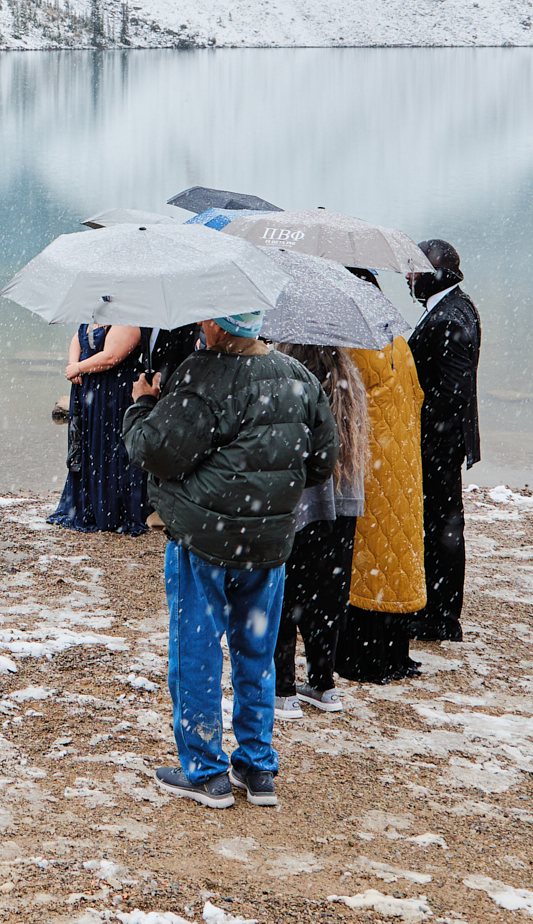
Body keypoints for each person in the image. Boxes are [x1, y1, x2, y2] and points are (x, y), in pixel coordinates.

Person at [123, 310, 335, 811]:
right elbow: (323, 461)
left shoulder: (204, 374)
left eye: (206, 319)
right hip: (270, 543)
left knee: (196, 649)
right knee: (256, 652)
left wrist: (142, 404)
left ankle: (204, 770)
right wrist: (264, 492)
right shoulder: (298, 376)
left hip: (207, 542)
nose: (201, 327)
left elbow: (154, 450)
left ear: (218, 324)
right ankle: (257, 766)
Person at [336, 272, 426, 683]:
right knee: (397, 557)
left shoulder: (351, 345)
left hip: (369, 463)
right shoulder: (398, 341)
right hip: (405, 465)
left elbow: (340, 402)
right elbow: (417, 397)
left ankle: (362, 656)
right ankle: (395, 652)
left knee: (366, 558)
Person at [272, 343, 370, 717]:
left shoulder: (293, 376)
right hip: (344, 502)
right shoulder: (349, 377)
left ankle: (283, 689)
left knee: (285, 595)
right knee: (328, 595)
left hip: (303, 505)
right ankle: (322, 683)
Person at [408, 240, 479, 642]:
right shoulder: (459, 306)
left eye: (415, 272)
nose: (409, 278)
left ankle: (441, 615)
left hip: (440, 445)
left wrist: (415, 423)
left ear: (435, 273)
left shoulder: (448, 318)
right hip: (447, 442)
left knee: (441, 527)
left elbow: (452, 392)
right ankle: (439, 608)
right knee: (443, 525)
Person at [48, 322, 152, 534]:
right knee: (89, 447)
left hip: (114, 391)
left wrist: (79, 367)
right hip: (90, 389)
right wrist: (72, 363)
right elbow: (78, 338)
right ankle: (89, 506)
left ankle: (113, 511)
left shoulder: (129, 317)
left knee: (111, 448)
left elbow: (111, 357)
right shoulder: (96, 312)